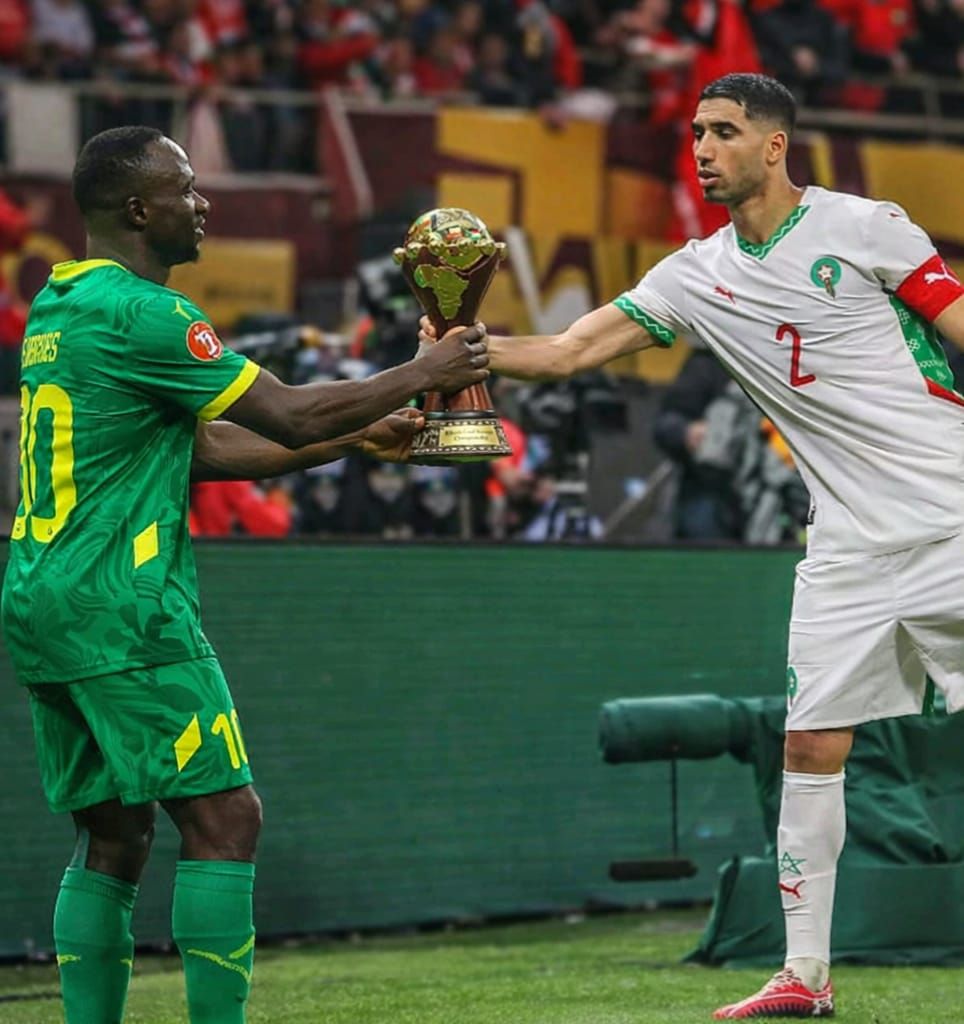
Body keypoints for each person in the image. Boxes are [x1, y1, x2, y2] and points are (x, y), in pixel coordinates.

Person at [423, 72, 964, 1018]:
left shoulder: (866, 225)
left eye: (723, 131)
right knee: (810, 746)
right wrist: (462, 347)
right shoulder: (693, 275)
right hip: (844, 545)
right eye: (696, 133)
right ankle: (804, 976)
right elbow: (566, 352)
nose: (704, 149)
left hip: (951, 511)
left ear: (774, 145)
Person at [0, 125, 488, 1024]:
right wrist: (427, 369)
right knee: (227, 820)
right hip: (126, 603)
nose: (203, 203)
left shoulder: (59, 305)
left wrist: (349, 440)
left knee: (112, 831)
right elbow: (290, 415)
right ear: (141, 208)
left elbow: (200, 448)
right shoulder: (148, 313)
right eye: (186, 188)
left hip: (42, 600)